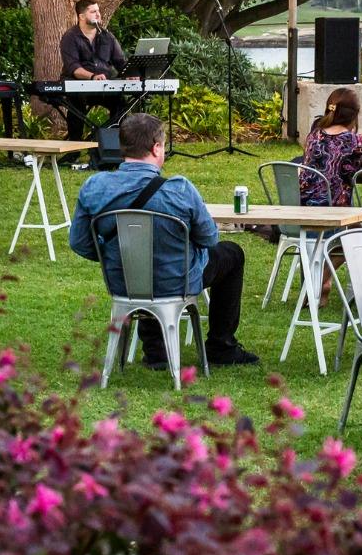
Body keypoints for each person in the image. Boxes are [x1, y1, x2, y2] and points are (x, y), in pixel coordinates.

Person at [70, 113, 258, 369]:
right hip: (176, 280)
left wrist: (118, 255)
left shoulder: (94, 187)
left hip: (123, 280)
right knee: (231, 254)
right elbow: (209, 238)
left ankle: (157, 351)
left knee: (152, 263)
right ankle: (221, 346)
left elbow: (79, 242)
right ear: (156, 147)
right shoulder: (180, 189)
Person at [59, 0, 128, 141]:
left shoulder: (107, 36)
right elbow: (73, 67)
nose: (98, 14)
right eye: (93, 11)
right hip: (78, 86)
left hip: (104, 87)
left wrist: (131, 73)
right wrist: (92, 76)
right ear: (81, 16)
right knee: (76, 104)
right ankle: (75, 147)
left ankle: (113, 145)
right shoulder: (70, 37)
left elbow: (120, 62)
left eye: (98, 11)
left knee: (121, 104)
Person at [300, 88, 362, 207]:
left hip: (304, 207)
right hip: (335, 211)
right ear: (355, 115)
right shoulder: (358, 142)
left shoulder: (314, 135)